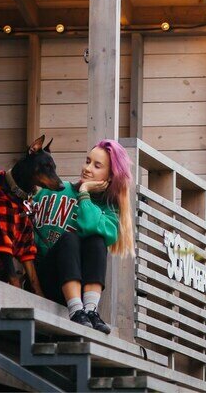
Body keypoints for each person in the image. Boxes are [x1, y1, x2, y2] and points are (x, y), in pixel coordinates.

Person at [32, 139, 135, 333]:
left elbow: (90, 226)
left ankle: (90, 311)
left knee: (96, 240)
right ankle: (76, 311)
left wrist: (84, 193)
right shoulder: (55, 190)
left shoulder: (110, 211)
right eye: (87, 161)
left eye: (97, 166)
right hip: (45, 279)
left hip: (78, 290)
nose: (87, 168)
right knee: (69, 238)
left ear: (110, 176)